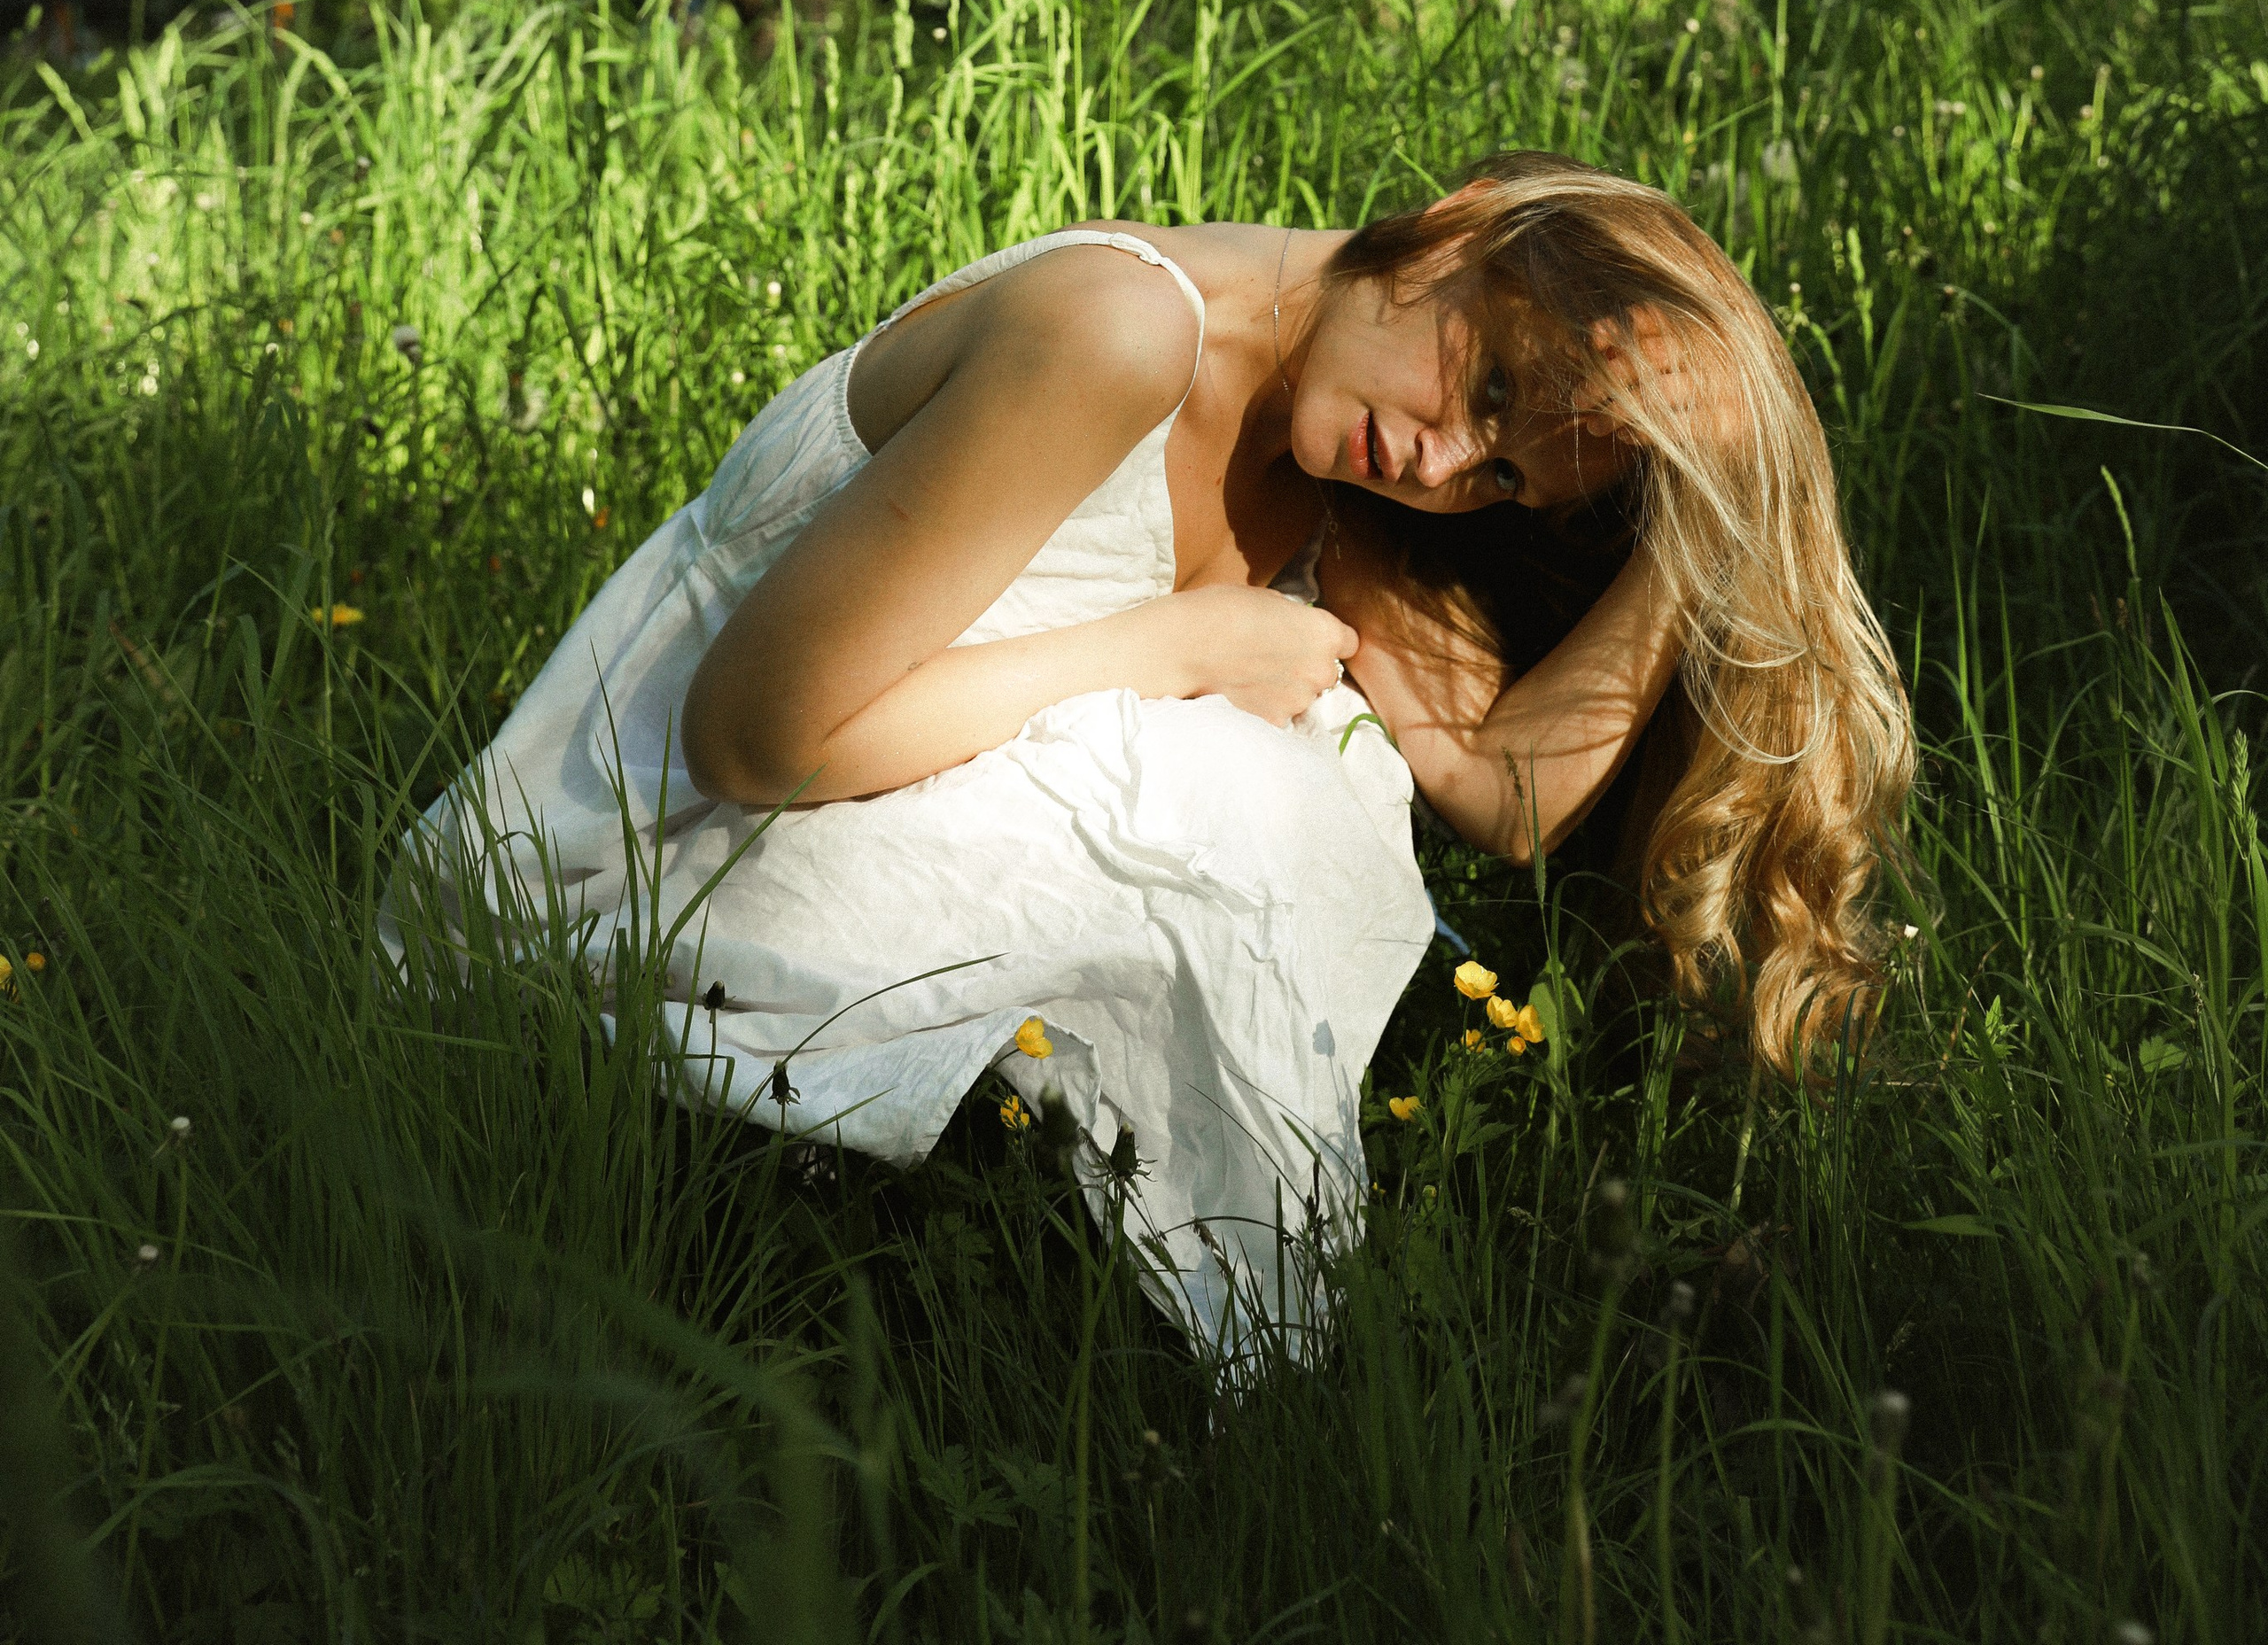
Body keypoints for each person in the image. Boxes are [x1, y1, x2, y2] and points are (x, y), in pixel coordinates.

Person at [386, 151, 1913, 1356]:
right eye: (1493, 390)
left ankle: (1010, 1300)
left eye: (1505, 475)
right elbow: (754, 734)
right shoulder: (1120, 330)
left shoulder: (1338, 454)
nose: (1450, 467)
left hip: (782, 883)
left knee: (1292, 754)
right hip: (618, 874)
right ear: (1458, 233)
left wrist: (1706, 544)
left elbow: (1499, 794)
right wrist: (1177, 650)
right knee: (1247, 767)